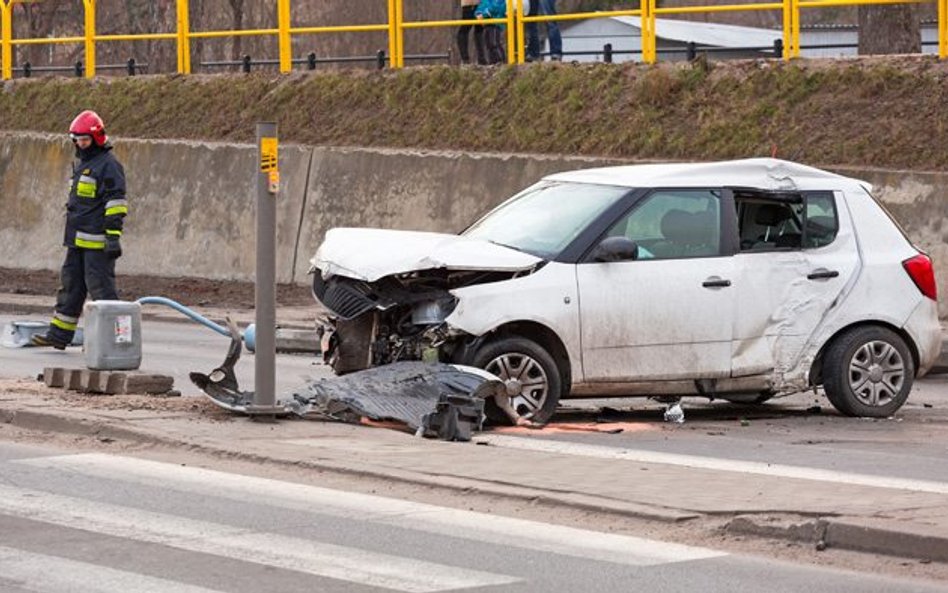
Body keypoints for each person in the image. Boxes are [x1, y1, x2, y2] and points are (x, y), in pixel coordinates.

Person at [32, 110, 128, 350]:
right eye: (76, 140)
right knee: (71, 288)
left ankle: (115, 341)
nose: (79, 144)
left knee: (103, 293)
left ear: (96, 138)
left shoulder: (109, 166)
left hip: (97, 243)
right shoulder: (84, 165)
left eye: (83, 139)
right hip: (76, 241)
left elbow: (116, 203)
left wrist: (113, 237)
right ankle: (59, 336)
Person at [475, 0, 507, 65]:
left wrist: (485, 14)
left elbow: (497, 8)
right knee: (488, 43)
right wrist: (478, 13)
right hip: (487, 23)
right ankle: (492, 61)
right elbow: (481, 7)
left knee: (494, 42)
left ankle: (501, 60)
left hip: (496, 22)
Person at [457, 0, 487, 65]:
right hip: (480, 4)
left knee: (463, 32)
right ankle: (481, 58)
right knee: (479, 31)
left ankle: (465, 59)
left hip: (470, 5)